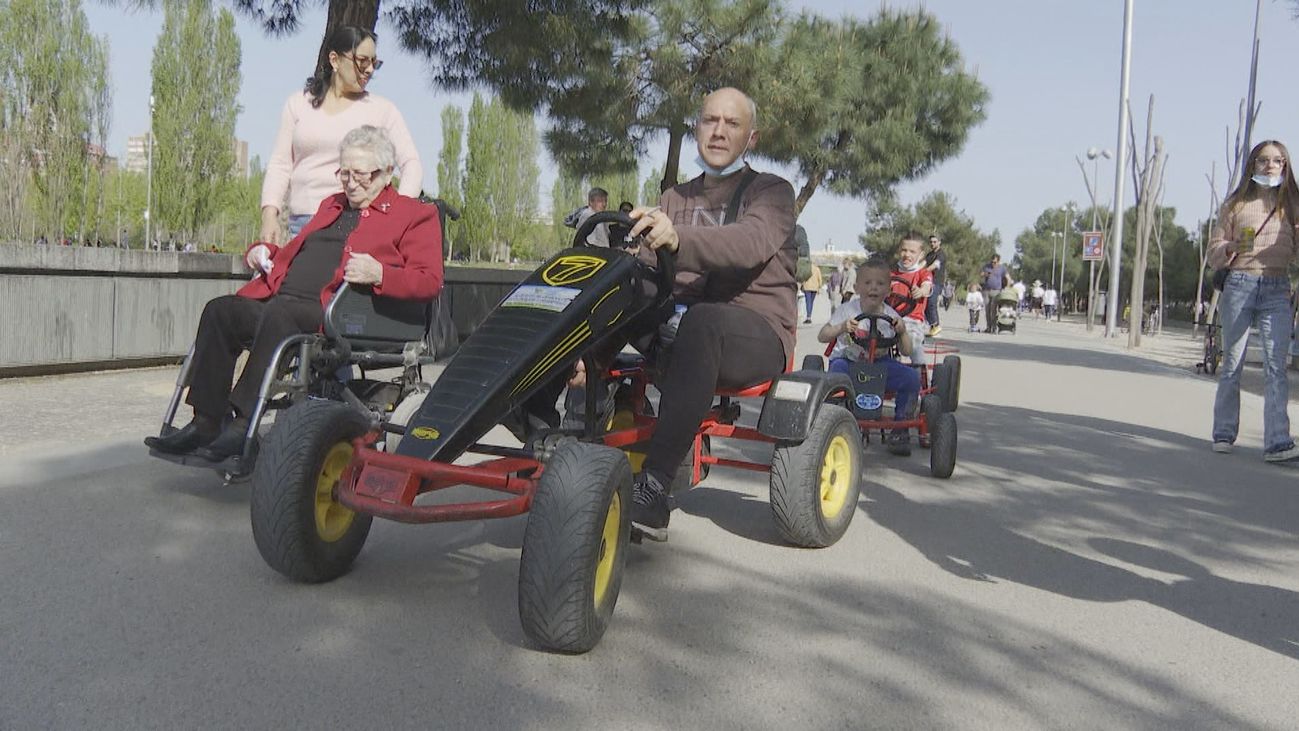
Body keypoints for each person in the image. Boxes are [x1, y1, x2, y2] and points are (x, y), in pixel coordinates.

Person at [145, 126, 443, 462]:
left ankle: (243, 423)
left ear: (388, 172)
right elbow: (296, 252)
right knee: (221, 311)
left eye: (360, 174)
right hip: (282, 303)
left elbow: (430, 280)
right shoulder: (332, 205)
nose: (349, 182)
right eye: (343, 172)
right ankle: (206, 421)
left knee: (281, 315)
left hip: (340, 314)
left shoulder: (414, 214)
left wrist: (381, 274)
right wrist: (261, 252)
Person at [623, 87, 797, 529]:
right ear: (697, 128)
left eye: (731, 124)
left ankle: (655, 486)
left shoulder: (772, 193)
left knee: (704, 322)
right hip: (681, 323)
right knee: (611, 292)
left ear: (751, 138)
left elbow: (747, 244)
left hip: (753, 331)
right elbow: (647, 269)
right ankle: (548, 423)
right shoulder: (673, 199)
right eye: (709, 121)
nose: (718, 132)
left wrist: (678, 240)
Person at [260, 26, 423, 244]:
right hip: (301, 226)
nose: (369, 70)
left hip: (356, 225)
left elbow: (412, 164)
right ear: (335, 60)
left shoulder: (383, 110)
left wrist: (397, 216)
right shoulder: (298, 104)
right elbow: (280, 164)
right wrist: (269, 215)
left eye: (374, 63)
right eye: (362, 61)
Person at [1207, 138, 1299, 463]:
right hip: (1240, 284)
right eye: (1263, 160)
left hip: (1277, 286)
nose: (1270, 166)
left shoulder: (1293, 204)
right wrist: (1229, 248)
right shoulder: (1235, 205)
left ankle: (1277, 442)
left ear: (1285, 167)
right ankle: (1223, 432)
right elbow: (1213, 250)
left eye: (1277, 161)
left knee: (1276, 366)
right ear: (1253, 165)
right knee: (1232, 362)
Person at [818, 257, 921, 455]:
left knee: (911, 378)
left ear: (889, 290)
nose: (873, 288)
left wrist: (902, 331)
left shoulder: (891, 316)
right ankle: (831, 423)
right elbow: (822, 335)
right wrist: (841, 327)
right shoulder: (847, 310)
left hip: (880, 366)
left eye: (880, 283)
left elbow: (907, 351)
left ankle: (900, 429)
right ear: (857, 287)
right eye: (868, 283)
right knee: (835, 373)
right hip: (849, 361)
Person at [891, 234, 933, 362]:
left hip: (912, 321)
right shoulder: (891, 274)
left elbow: (927, 286)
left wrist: (921, 291)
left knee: (913, 344)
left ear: (920, 255)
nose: (907, 255)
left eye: (912, 252)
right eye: (904, 250)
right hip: (889, 320)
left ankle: (920, 373)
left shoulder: (923, 273)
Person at [980, 253, 1012, 333]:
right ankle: (988, 327)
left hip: (996, 291)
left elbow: (1008, 278)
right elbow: (981, 274)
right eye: (992, 262)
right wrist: (985, 274)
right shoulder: (987, 266)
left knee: (993, 310)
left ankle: (994, 327)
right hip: (986, 290)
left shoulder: (1002, 268)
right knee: (987, 310)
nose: (993, 264)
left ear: (998, 261)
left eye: (995, 262)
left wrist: (1007, 288)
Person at [922, 235, 946, 336]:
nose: (932, 244)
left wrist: (923, 272)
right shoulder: (929, 255)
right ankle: (933, 327)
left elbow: (934, 265)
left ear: (939, 242)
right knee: (925, 304)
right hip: (928, 282)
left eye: (935, 242)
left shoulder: (941, 255)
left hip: (936, 282)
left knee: (931, 303)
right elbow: (923, 264)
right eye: (931, 242)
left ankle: (936, 325)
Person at [800, 257, 822, 324]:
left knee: (808, 302)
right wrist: (819, 287)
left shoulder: (806, 269)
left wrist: (802, 285)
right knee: (811, 302)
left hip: (807, 287)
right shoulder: (817, 269)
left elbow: (803, 277)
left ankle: (808, 317)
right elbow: (820, 279)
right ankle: (809, 316)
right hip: (815, 288)